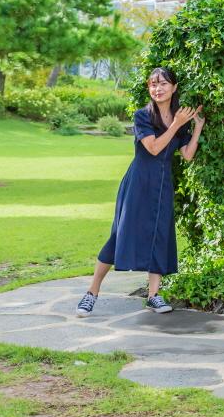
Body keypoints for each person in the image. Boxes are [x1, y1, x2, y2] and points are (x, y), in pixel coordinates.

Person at [77, 67, 204, 316]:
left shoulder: (180, 121)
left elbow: (187, 155)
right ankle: (91, 292)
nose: (158, 89)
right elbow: (154, 148)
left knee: (159, 235)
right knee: (119, 237)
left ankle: (154, 295)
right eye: (153, 85)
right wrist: (177, 123)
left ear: (174, 87)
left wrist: (196, 126)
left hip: (162, 185)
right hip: (137, 183)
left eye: (163, 84)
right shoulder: (142, 117)